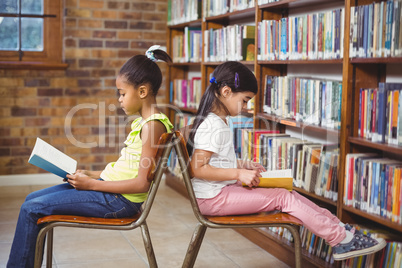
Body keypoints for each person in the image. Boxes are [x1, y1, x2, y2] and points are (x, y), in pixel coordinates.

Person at [186, 61, 386, 261]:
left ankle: (342, 229)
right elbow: (198, 168)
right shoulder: (212, 125)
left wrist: (242, 165)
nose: (246, 107)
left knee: (287, 193)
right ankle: (340, 239)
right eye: (245, 100)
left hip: (218, 191)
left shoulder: (219, 120)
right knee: (283, 197)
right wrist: (238, 174)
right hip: (211, 199)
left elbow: (216, 161)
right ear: (226, 92)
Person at [7, 45, 174, 267]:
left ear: (142, 92)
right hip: (110, 190)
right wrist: (91, 175)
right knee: (30, 201)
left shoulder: (153, 127)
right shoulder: (145, 123)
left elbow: (141, 184)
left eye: (123, 94)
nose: (120, 100)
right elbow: (128, 169)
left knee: (31, 209)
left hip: (119, 201)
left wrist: (91, 185)